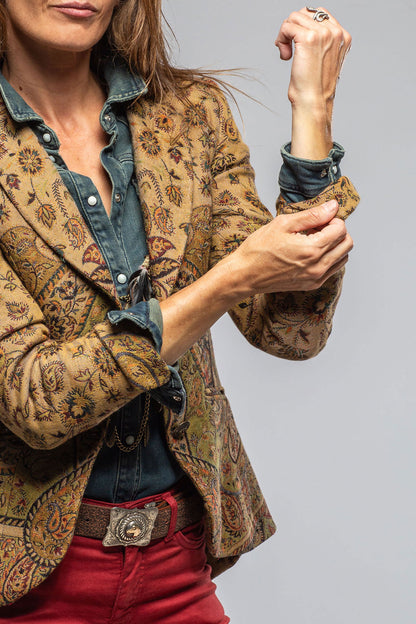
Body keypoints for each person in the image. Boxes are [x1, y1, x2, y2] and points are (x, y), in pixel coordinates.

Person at [0, 1, 358, 621]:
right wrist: (226, 282)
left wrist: (312, 110)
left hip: (175, 566)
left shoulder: (190, 115)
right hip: (24, 582)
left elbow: (291, 328)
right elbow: (37, 398)